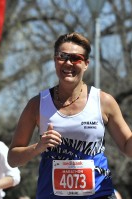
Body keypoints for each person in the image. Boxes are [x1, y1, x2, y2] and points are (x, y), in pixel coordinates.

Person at [7, 32, 132, 198]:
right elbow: (13, 159)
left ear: (86, 64)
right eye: (62, 56)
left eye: (75, 58)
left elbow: (127, 147)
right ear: (55, 60)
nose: (68, 63)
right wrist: (37, 147)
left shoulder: (103, 101)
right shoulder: (37, 104)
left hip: (98, 194)